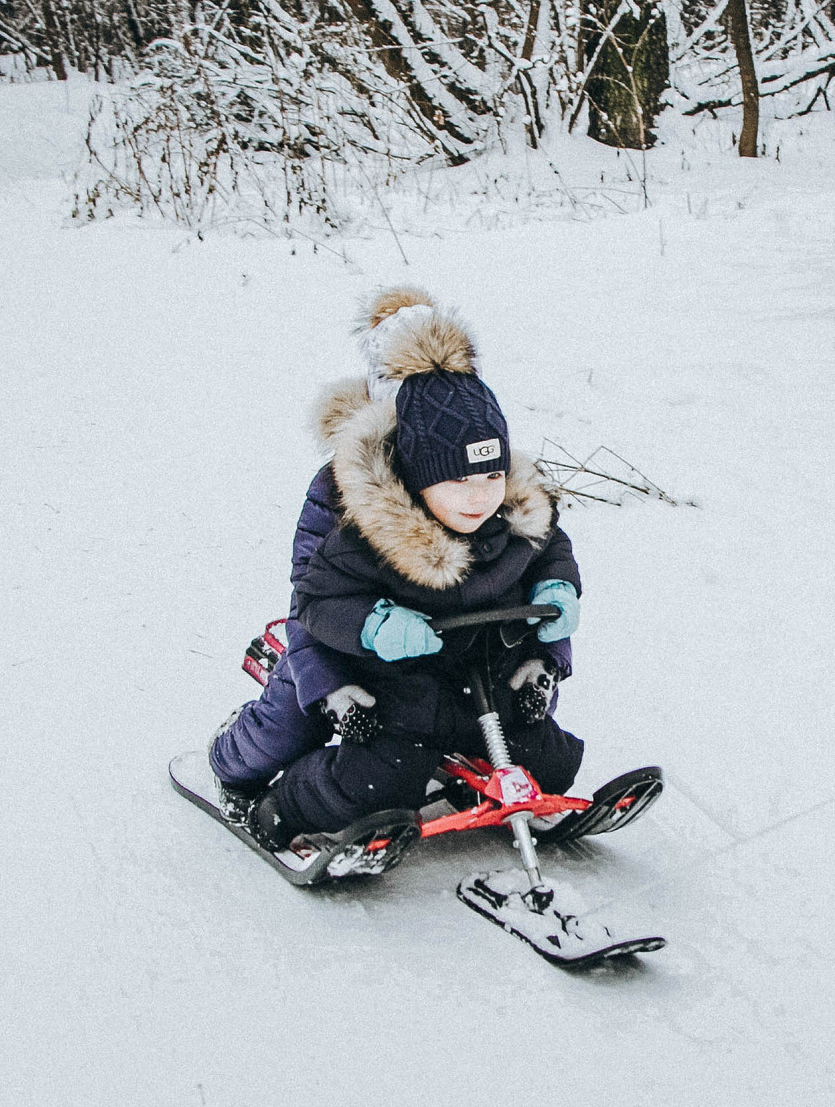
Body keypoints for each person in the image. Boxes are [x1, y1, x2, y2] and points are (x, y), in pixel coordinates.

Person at [240, 297, 582, 854]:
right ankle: (245, 775)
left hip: (467, 666)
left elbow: (542, 557)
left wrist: (551, 635)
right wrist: (347, 661)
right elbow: (315, 595)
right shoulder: (347, 489)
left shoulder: (492, 483)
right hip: (364, 657)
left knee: (534, 739)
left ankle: (478, 767)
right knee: (288, 722)